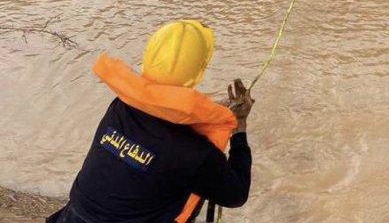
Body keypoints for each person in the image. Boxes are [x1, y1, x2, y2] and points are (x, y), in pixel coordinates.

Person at [46, 20, 254, 223]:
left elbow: (158, 121)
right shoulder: (194, 154)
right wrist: (239, 126)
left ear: (147, 58)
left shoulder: (120, 109)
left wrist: (212, 111)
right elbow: (236, 194)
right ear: (199, 71)